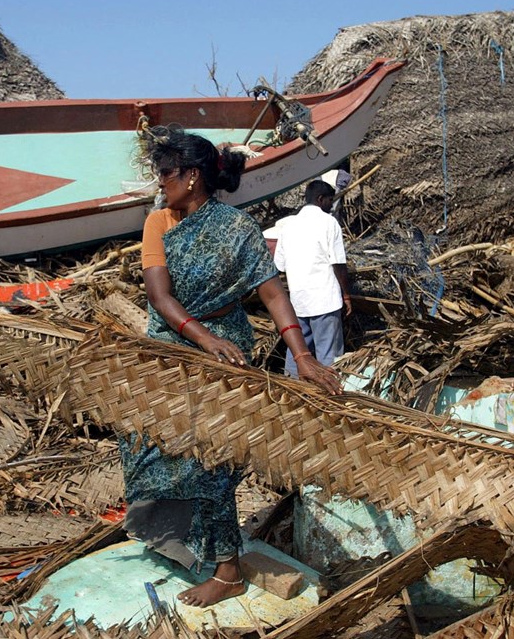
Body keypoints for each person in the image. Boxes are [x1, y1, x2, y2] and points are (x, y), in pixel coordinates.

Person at [133, 125, 341, 608]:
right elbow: (160, 297)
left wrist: (304, 357)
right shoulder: (158, 222)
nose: (159, 181)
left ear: (190, 177)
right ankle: (187, 545)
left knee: (214, 459)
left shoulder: (236, 227)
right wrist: (205, 339)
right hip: (174, 348)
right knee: (161, 453)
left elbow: (272, 292)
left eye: (165, 173)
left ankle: (227, 570)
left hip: (225, 358)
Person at [273, 180, 351, 377]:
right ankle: (332, 399)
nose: (331, 205)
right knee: (329, 357)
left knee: (298, 353)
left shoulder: (288, 226)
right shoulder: (329, 222)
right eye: (330, 201)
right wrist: (346, 294)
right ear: (320, 199)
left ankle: (291, 392)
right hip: (324, 299)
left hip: (298, 301)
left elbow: (279, 266)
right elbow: (338, 264)